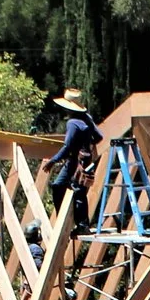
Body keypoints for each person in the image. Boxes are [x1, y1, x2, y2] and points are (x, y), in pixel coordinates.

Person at [41, 86, 101, 233]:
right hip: (86, 161)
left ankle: (67, 219)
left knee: (58, 186)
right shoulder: (87, 118)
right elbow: (99, 137)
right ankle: (83, 225)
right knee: (80, 192)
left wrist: (52, 161)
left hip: (74, 162)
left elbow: (67, 147)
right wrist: (87, 145)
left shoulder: (72, 123)